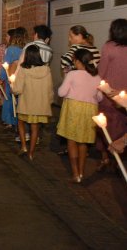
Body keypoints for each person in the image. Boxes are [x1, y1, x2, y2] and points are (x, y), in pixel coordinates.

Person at [56, 49, 102, 183]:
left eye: (74, 60)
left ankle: (75, 173)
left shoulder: (72, 74)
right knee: (83, 142)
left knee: (72, 141)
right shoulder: (96, 76)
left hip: (73, 109)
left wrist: (67, 81)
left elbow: (61, 92)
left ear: (78, 61)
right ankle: (82, 172)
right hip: (90, 111)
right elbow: (99, 97)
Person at [11, 45, 53, 160]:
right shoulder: (46, 69)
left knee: (20, 123)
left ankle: (24, 146)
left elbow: (18, 89)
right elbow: (50, 88)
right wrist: (49, 101)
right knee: (35, 129)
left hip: (26, 103)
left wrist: (12, 88)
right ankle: (31, 153)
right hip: (40, 105)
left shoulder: (24, 69)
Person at [96, 18, 127, 172]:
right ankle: (119, 159)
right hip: (125, 97)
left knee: (105, 127)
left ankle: (105, 158)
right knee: (122, 126)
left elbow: (101, 72)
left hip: (109, 95)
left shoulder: (109, 47)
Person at [0, 27, 27, 131]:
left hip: (11, 76)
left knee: (9, 99)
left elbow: (6, 64)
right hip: (22, 77)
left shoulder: (11, 49)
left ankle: (10, 121)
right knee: (20, 100)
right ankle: (19, 121)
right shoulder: (25, 48)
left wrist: (1, 77)